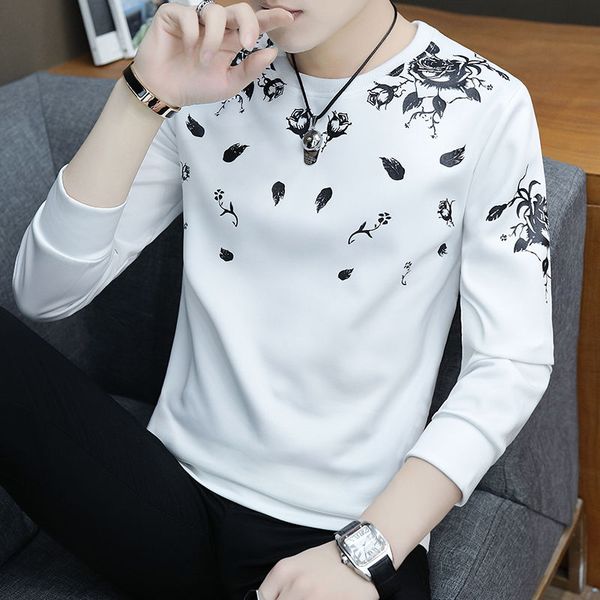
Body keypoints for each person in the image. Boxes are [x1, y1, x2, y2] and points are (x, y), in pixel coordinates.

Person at [4, 0, 554, 599]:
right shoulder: (207, 73)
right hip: (163, 495)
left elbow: (510, 364)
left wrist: (363, 553)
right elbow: (43, 294)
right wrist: (143, 94)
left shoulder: (484, 104)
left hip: (336, 529)